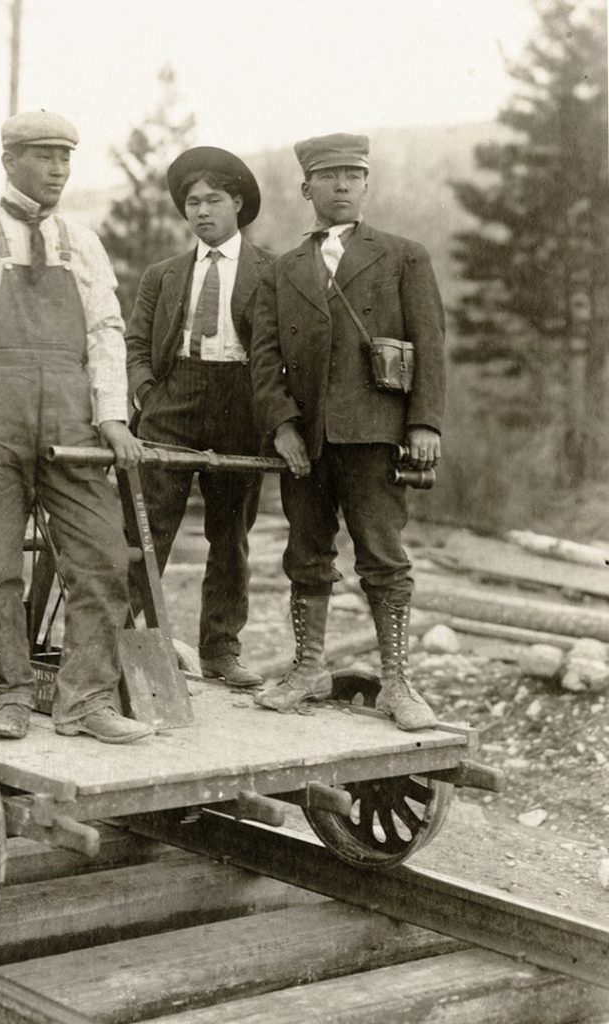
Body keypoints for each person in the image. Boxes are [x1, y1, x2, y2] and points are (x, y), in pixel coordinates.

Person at [0, 110, 152, 744]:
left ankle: (86, 700)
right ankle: (11, 694)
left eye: (66, 157)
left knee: (105, 556)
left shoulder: (84, 243)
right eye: (44, 156)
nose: (58, 169)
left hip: (72, 413)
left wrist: (111, 415)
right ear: (9, 161)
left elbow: (107, 333)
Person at [249, 133, 445, 730]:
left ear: (366, 185)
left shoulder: (404, 256)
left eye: (353, 176)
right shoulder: (282, 271)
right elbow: (264, 357)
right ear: (306, 187)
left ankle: (397, 683)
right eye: (329, 177)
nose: (341, 186)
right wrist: (281, 425)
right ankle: (308, 669)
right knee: (306, 554)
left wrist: (425, 422)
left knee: (383, 557)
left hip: (376, 435)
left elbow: (430, 346)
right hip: (306, 442)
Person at [125, 147, 273, 687]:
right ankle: (119, 643)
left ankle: (220, 650)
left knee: (230, 535)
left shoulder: (271, 273)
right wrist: (146, 392)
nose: (202, 211)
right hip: (174, 398)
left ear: (238, 203)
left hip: (241, 402)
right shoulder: (163, 275)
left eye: (213, 200)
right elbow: (136, 340)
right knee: (145, 528)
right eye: (192, 202)